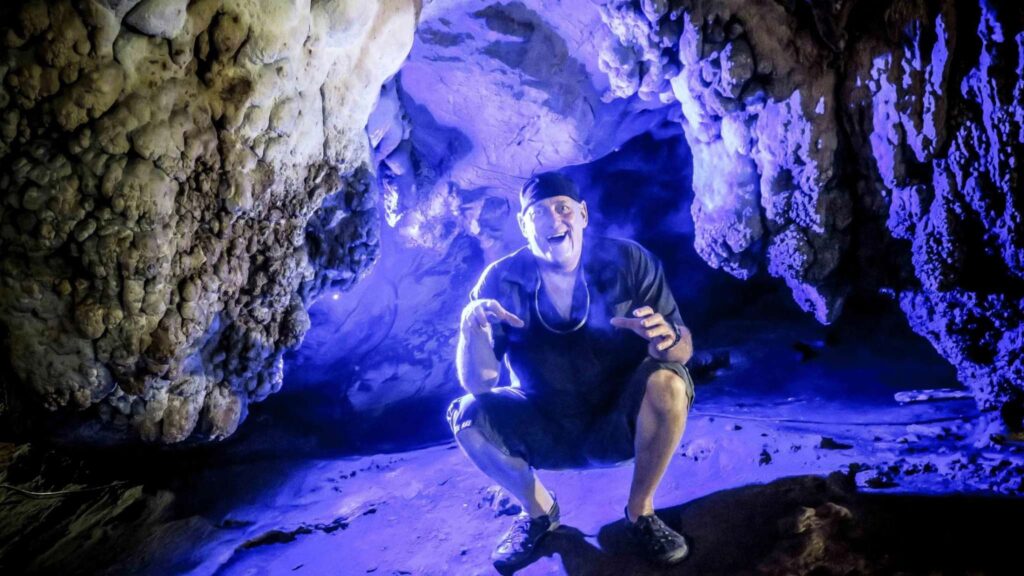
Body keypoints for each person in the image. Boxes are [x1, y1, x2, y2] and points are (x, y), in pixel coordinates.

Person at [446, 171, 695, 571]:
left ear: (583, 215)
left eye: (563, 208)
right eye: (539, 213)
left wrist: (666, 339)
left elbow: (681, 348)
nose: (554, 220)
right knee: (467, 416)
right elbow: (480, 384)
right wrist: (469, 331)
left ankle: (641, 511)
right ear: (523, 225)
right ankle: (538, 512)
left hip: (619, 418)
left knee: (669, 381)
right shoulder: (499, 280)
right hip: (545, 421)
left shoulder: (628, 261)